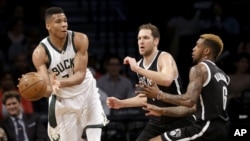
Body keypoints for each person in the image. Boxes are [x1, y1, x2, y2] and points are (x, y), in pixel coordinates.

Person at [31, 7, 108, 141]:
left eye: (65, 20)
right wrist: (40, 89)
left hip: (86, 89)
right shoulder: (40, 53)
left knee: (95, 136)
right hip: (63, 97)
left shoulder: (79, 39)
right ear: (48, 26)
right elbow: (47, 90)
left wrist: (59, 83)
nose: (64, 24)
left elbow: (80, 75)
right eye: (58, 21)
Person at [106, 23, 194, 141]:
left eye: (146, 38)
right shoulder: (139, 65)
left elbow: (166, 79)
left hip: (178, 117)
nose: (141, 41)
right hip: (157, 121)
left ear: (156, 41)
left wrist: (137, 69)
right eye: (139, 38)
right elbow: (147, 97)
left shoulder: (164, 57)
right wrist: (121, 103)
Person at [136, 33, 230, 141]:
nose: (193, 49)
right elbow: (193, 108)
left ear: (206, 51)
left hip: (205, 128)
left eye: (197, 46)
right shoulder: (223, 75)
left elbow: (189, 100)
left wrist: (158, 95)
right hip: (222, 128)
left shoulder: (200, 69)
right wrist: (162, 110)